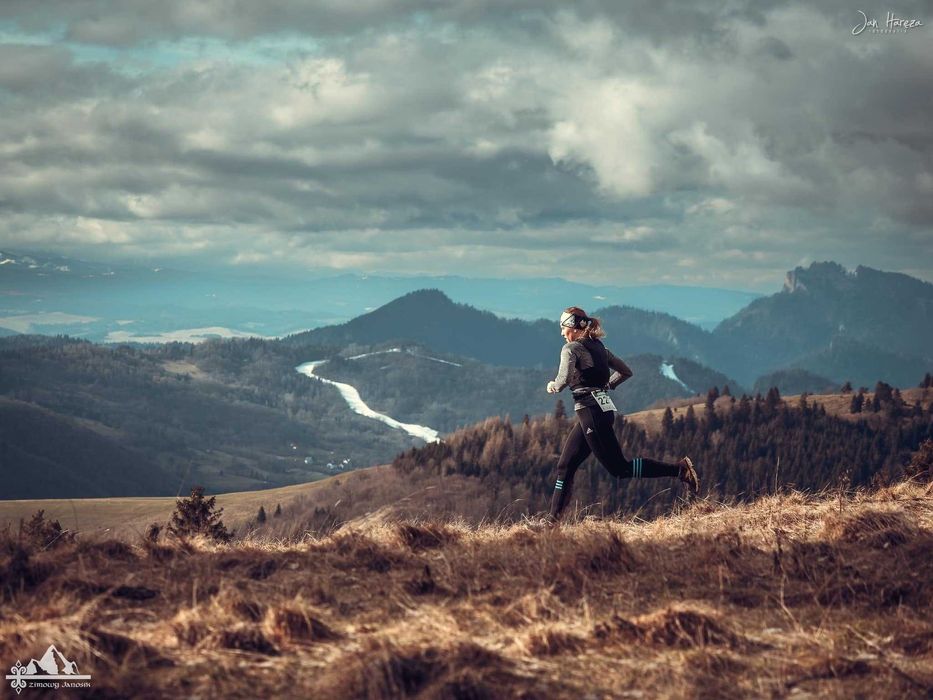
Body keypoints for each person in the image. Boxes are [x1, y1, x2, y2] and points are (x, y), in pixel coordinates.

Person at [545, 306, 699, 522]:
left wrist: (552, 385)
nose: (562, 332)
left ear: (573, 326)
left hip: (591, 413)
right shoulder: (600, 348)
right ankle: (552, 522)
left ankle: (680, 470)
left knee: (620, 469)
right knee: (565, 466)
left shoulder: (571, 348)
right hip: (597, 413)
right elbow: (626, 371)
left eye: (563, 327)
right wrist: (606, 386)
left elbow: (562, 381)